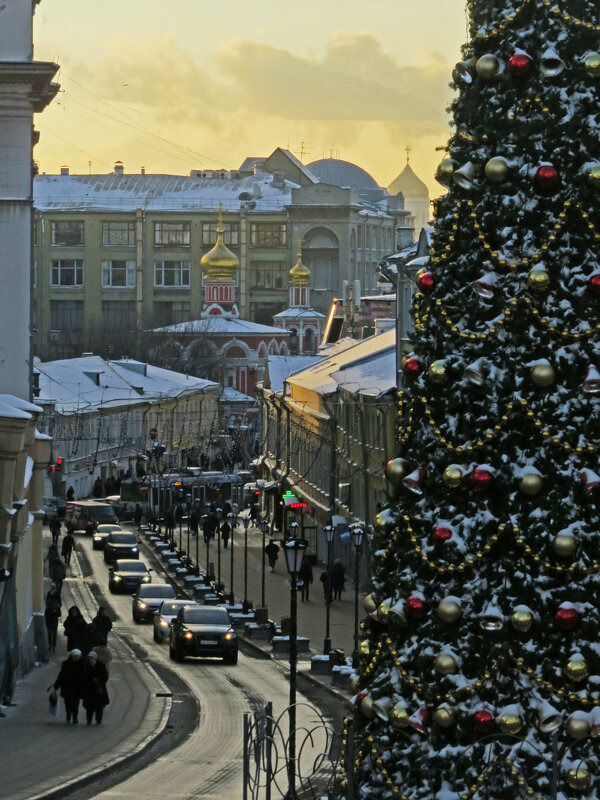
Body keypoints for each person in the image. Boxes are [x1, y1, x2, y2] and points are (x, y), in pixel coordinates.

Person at [53, 649, 84, 723]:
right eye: (74, 656)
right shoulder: (66, 664)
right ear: (71, 656)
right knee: (68, 703)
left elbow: (85, 677)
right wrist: (56, 686)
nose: (76, 658)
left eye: (77, 656)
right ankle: (68, 714)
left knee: (76, 703)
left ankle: (75, 717)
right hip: (67, 687)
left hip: (77, 688)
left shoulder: (82, 665)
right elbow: (61, 676)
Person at [81, 651, 109, 725]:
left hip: (99, 690)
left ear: (95, 658)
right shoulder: (86, 667)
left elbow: (105, 677)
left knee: (99, 707)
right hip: (89, 690)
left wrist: (98, 680)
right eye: (90, 658)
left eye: (92, 658)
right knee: (89, 708)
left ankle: (98, 720)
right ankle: (89, 720)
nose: (91, 660)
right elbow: (83, 677)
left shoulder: (101, 666)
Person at [44, 584, 62, 652]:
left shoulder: (56, 607)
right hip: (50, 623)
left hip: (54, 623)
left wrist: (56, 610)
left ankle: (53, 646)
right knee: (50, 635)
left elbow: (59, 614)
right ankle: (50, 645)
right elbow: (47, 615)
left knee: (54, 635)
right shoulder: (48, 608)